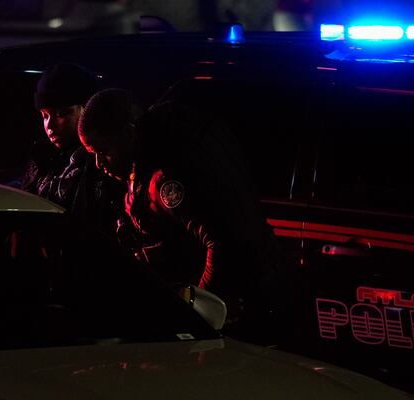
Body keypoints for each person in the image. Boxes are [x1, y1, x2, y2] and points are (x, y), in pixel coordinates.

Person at [77, 88, 279, 319]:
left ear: (129, 134)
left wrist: (198, 311)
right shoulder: (156, 149)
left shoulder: (167, 175)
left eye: (104, 152)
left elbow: (222, 242)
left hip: (238, 303)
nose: (99, 163)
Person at [21, 63, 123, 233]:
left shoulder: (105, 161)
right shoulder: (42, 160)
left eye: (62, 114)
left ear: (87, 110)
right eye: (45, 115)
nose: (50, 125)